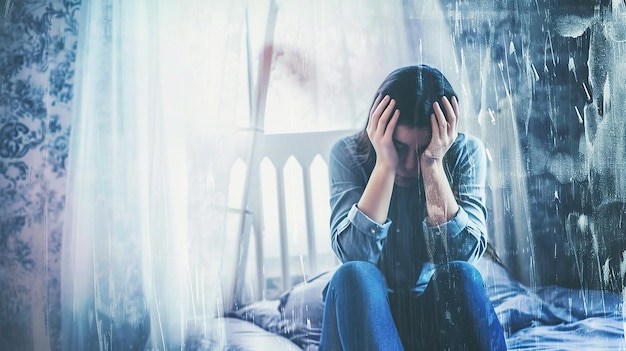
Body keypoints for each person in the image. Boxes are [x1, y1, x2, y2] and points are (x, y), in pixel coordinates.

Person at [319, 65, 507, 350]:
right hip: (361, 320)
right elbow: (354, 253)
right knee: (354, 275)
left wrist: (432, 163)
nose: (409, 165)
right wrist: (385, 165)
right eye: (399, 146)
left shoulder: (465, 153)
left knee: (462, 276)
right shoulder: (348, 155)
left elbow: (462, 255)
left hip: (433, 323)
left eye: (420, 149)